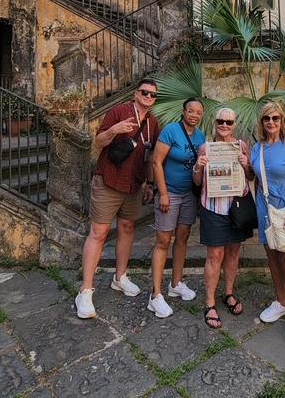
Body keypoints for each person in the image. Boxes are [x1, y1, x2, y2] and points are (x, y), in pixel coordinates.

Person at [75, 79, 160, 319]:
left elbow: (150, 155)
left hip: (133, 183)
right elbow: (98, 142)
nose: (148, 97)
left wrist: (150, 184)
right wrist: (115, 130)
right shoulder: (119, 111)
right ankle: (85, 290)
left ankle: (120, 277)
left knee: (127, 227)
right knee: (99, 233)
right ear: (136, 93)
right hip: (109, 180)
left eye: (153, 95)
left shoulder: (153, 122)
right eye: (145, 92)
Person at [193, 107, 255, 329]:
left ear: (235, 125)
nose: (224, 126)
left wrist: (246, 165)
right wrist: (198, 167)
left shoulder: (242, 146)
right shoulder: (205, 148)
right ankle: (210, 303)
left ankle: (228, 293)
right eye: (221, 121)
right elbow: (198, 182)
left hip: (237, 207)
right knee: (215, 255)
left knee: (233, 252)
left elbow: (250, 176)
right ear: (215, 123)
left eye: (229, 122)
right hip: (213, 207)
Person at [250, 102, 285, 341]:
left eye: (275, 118)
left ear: (282, 120)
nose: (271, 122)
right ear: (262, 122)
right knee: (272, 255)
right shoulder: (257, 148)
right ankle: (282, 301)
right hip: (265, 210)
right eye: (267, 118)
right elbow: (254, 176)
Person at [148, 98, 206, 318]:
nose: (194, 115)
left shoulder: (201, 137)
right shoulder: (171, 131)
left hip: (188, 194)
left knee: (183, 237)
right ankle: (155, 294)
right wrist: (162, 193)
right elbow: (156, 161)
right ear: (184, 112)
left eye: (198, 112)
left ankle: (176, 283)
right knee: (163, 240)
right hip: (169, 192)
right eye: (191, 111)